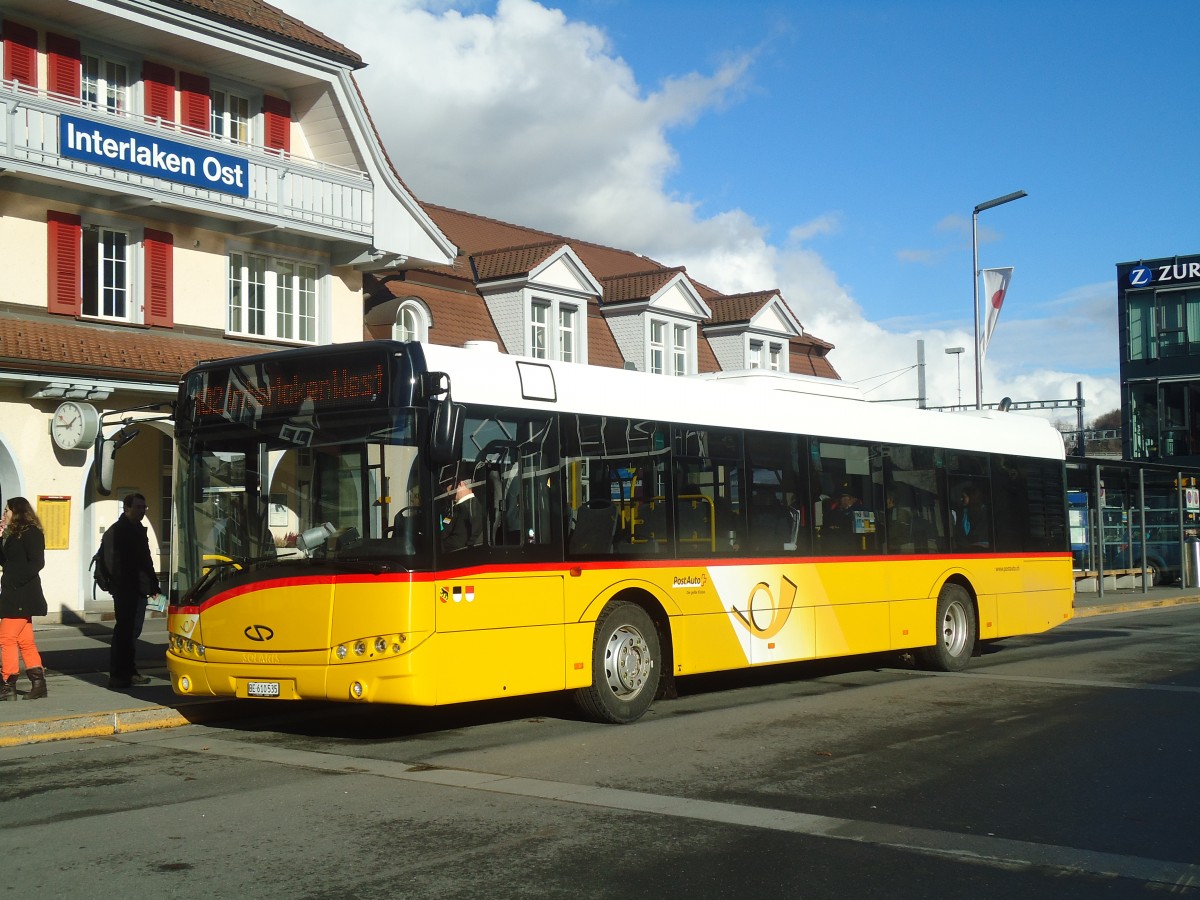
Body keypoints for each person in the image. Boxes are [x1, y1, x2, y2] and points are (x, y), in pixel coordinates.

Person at [105, 493, 159, 689]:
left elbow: (146, 561)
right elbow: (112, 563)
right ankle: (118, 674)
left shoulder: (138, 530)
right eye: (138, 507)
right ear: (126, 508)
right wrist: (121, 586)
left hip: (139, 589)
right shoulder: (117, 531)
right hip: (125, 590)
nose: (142, 511)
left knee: (133, 632)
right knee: (124, 632)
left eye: (144, 507)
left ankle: (129, 671)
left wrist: (153, 585)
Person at [0, 497, 49, 700]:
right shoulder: (13, 534)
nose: (4, 515)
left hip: (22, 593)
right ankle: (39, 684)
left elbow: (37, 563)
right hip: (14, 593)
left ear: (16, 511)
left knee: (6, 638)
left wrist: (15, 582)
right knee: (25, 640)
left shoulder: (32, 533)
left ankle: (7, 683)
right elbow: (5, 561)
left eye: (6, 511)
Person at [440, 478, 485, 552]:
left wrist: (434, 546)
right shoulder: (465, 506)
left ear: (460, 484)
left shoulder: (468, 509)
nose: (445, 490)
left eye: (447, 485)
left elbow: (458, 543)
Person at [954, 483, 991, 551]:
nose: (961, 499)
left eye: (964, 497)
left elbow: (979, 531)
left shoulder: (982, 511)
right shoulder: (963, 511)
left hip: (980, 546)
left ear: (972, 497)